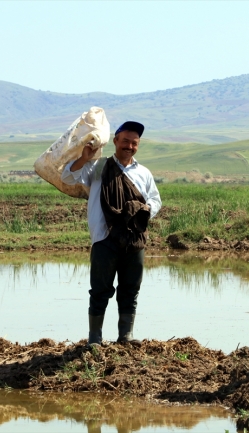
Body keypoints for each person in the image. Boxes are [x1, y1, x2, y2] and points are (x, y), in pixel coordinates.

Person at [61, 121, 161, 346]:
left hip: (134, 239)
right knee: (100, 289)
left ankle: (125, 336)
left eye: (134, 143)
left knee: (130, 288)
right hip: (104, 238)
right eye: (125, 141)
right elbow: (68, 178)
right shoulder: (97, 167)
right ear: (115, 141)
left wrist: (145, 210)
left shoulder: (143, 173)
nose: (129, 146)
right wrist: (85, 157)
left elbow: (155, 199)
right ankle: (95, 337)